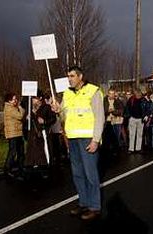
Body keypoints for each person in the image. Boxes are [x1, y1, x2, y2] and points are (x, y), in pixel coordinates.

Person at [51, 66, 104, 220]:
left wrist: (96, 140)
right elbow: (64, 114)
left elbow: (99, 117)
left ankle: (94, 206)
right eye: (68, 76)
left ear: (80, 76)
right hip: (72, 138)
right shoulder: (67, 93)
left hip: (87, 138)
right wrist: (58, 109)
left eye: (72, 76)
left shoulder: (93, 91)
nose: (69, 79)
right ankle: (84, 202)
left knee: (90, 174)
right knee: (78, 174)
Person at [24, 91, 56, 177]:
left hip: (43, 133)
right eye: (32, 98)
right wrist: (26, 119)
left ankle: (46, 168)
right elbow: (24, 122)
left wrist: (44, 121)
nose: (33, 100)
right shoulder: (30, 108)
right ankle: (32, 167)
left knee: (44, 150)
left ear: (39, 98)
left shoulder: (46, 107)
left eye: (34, 98)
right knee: (32, 151)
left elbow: (53, 119)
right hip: (32, 134)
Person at [3, 92, 25, 177]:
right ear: (9, 100)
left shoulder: (12, 107)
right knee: (13, 152)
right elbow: (20, 116)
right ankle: (7, 168)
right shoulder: (9, 108)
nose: (16, 101)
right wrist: (20, 107)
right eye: (14, 99)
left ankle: (20, 166)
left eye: (16, 99)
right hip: (13, 134)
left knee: (21, 151)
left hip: (18, 132)